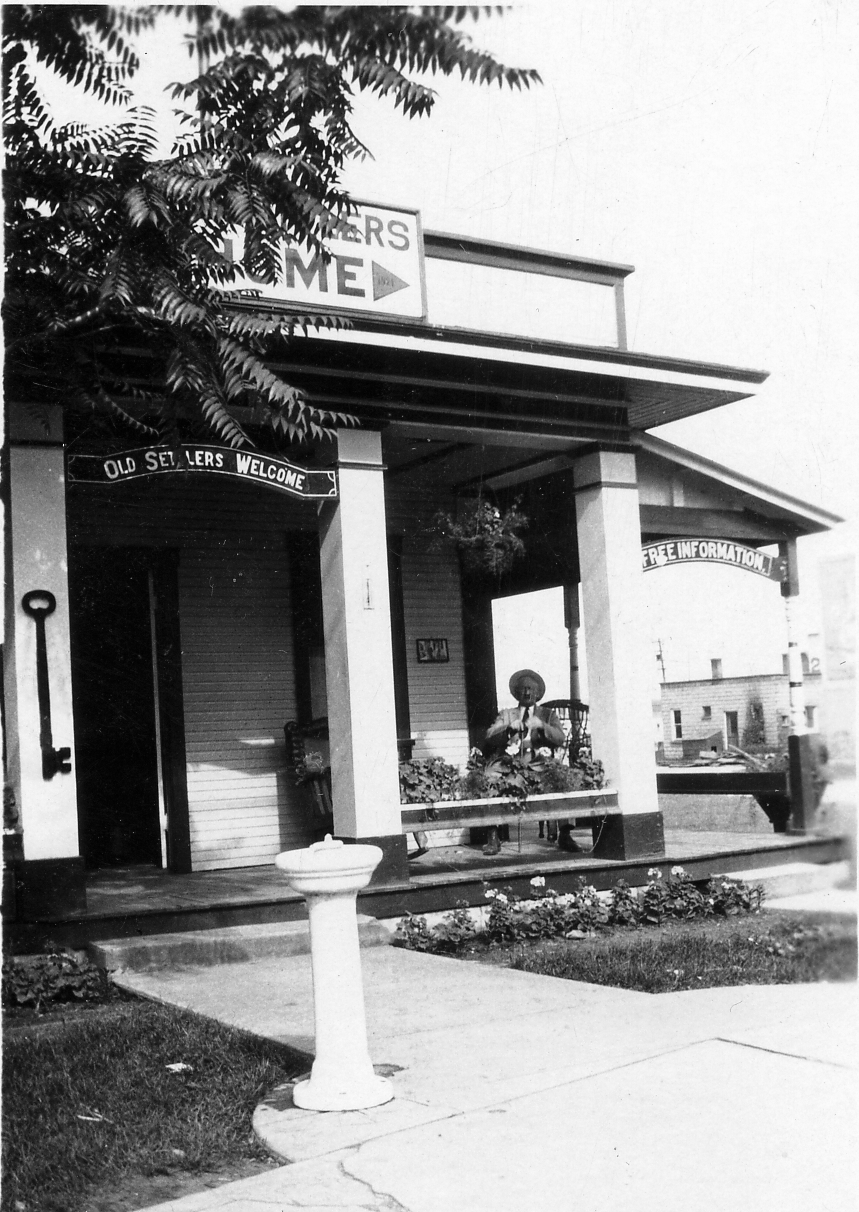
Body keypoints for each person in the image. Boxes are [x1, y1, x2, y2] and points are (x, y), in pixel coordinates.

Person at [481, 669, 580, 855]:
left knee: (565, 780)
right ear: (517, 693)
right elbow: (489, 735)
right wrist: (508, 728)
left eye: (530, 689)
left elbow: (560, 737)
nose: (527, 693)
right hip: (511, 765)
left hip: (539, 764)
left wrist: (542, 726)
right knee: (489, 776)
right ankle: (493, 836)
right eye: (523, 689)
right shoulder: (507, 714)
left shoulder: (547, 714)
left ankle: (565, 834)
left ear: (537, 693)